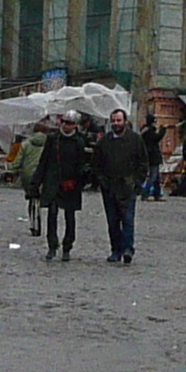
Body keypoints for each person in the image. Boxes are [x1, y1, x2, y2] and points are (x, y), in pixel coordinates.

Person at [35, 113, 92, 261]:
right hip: (53, 182)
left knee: (69, 216)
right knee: (52, 214)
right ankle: (52, 245)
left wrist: (79, 181)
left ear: (75, 125)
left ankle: (67, 246)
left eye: (70, 123)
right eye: (65, 122)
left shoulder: (79, 142)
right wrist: (36, 183)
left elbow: (81, 164)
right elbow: (44, 161)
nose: (66, 126)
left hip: (71, 184)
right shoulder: (53, 139)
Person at [96, 109, 148, 264]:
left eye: (119, 120)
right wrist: (103, 182)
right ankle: (115, 250)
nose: (116, 124)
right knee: (112, 221)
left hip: (127, 187)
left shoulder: (135, 140)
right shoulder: (104, 142)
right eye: (113, 121)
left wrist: (137, 182)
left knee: (127, 219)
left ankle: (128, 249)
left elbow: (143, 162)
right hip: (110, 187)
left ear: (125, 121)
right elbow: (96, 164)